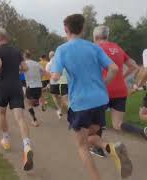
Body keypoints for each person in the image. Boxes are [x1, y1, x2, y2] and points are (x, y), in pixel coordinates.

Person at [51, 14, 132, 180]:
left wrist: (50, 75)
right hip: (101, 100)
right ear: (82, 29)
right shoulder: (94, 47)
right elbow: (115, 69)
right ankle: (110, 147)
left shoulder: (62, 50)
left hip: (81, 103)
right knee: (90, 137)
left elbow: (56, 76)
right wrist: (103, 84)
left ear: (66, 29)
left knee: (81, 145)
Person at [91, 25, 146, 157]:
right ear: (107, 36)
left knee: (95, 122)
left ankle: (98, 148)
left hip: (103, 88)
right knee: (117, 124)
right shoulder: (117, 48)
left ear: (95, 37)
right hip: (120, 90)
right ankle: (142, 131)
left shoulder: (95, 48)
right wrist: (122, 77)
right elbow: (133, 66)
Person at [0, 28, 34, 171]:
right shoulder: (16, 51)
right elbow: (25, 67)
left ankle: (6, 139)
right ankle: (27, 145)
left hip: (2, 86)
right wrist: (15, 70)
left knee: (2, 113)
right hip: (16, 86)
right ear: (7, 38)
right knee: (20, 118)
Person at [24, 50, 47, 127]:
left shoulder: (24, 64)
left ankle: (35, 120)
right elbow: (44, 71)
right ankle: (41, 103)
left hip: (30, 86)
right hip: (38, 85)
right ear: (30, 56)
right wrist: (39, 77)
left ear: (24, 56)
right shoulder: (36, 63)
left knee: (29, 104)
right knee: (39, 96)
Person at [46, 51, 68, 120]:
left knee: (54, 96)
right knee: (62, 97)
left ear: (49, 56)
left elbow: (47, 73)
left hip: (53, 82)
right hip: (62, 81)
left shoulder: (49, 64)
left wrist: (48, 83)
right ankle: (62, 109)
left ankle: (59, 109)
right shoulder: (60, 62)